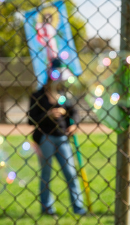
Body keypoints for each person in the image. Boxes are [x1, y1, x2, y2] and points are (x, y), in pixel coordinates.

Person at [27, 58, 87, 216]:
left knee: (70, 173)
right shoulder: (37, 96)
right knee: (46, 174)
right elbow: (30, 119)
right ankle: (47, 208)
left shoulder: (63, 95)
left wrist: (73, 123)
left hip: (62, 137)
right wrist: (48, 114)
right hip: (45, 137)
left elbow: (73, 111)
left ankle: (78, 207)